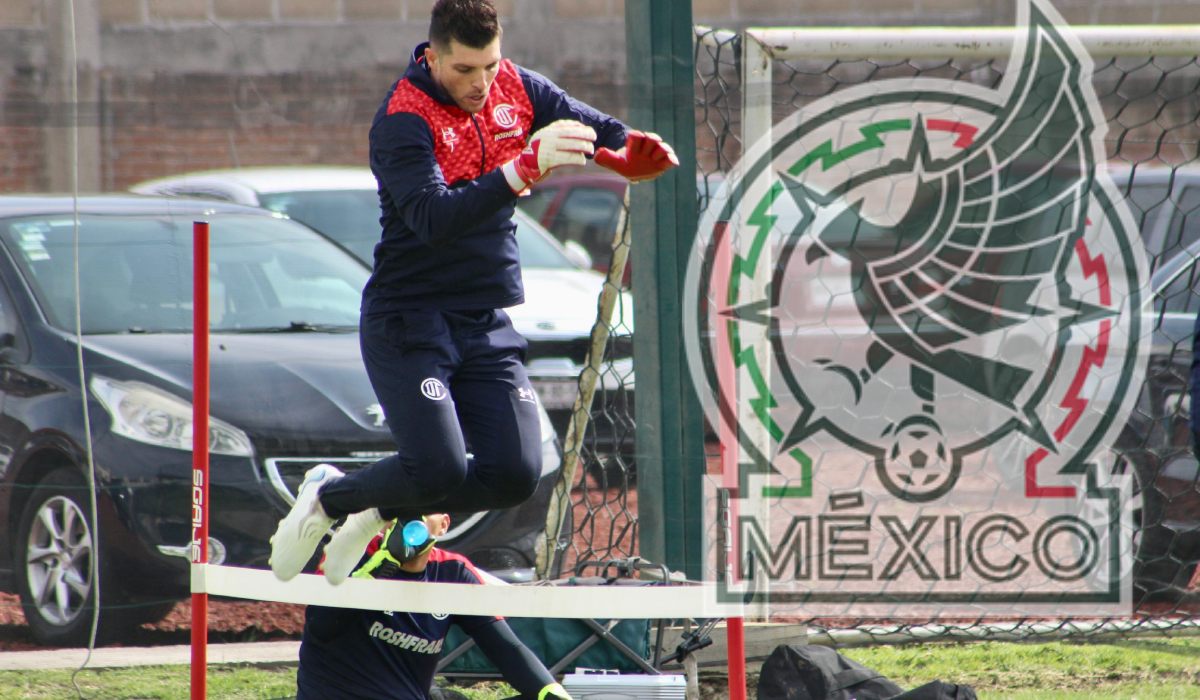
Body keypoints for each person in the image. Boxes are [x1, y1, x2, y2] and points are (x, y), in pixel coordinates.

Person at [270, 0, 677, 584]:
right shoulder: (403, 118)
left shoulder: (517, 87)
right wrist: (522, 169)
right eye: (464, 70)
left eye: (489, 65)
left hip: (483, 320)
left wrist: (630, 150)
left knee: (515, 475)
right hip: (410, 319)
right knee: (435, 467)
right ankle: (330, 497)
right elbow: (433, 219)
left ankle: (376, 507)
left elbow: (598, 130)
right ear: (432, 58)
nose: (480, 83)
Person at [296, 514, 572, 700]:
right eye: (400, 508)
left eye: (422, 508)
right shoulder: (350, 554)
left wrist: (550, 691)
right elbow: (321, 626)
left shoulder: (452, 571)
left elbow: (506, 649)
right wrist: (377, 569)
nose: (409, 518)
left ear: (443, 526)